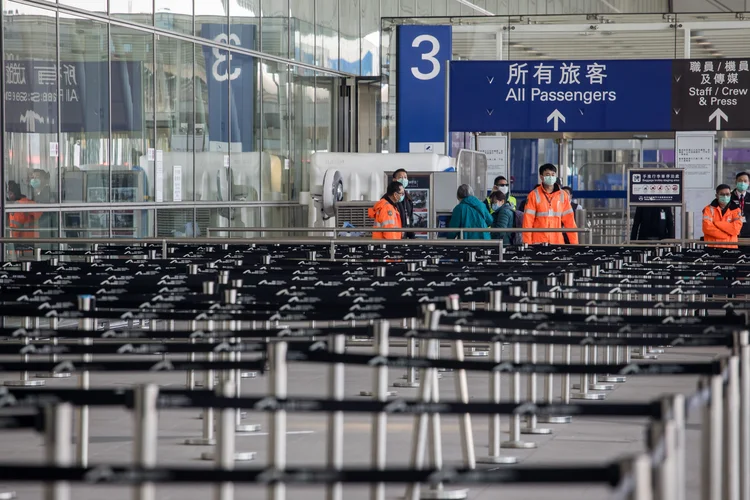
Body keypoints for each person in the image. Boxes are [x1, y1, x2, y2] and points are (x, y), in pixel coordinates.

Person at [522, 164, 578, 245]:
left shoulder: (563, 195)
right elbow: (527, 222)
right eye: (547, 175)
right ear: (541, 177)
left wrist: (575, 244)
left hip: (557, 242)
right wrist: (527, 244)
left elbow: (570, 222)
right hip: (538, 242)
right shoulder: (534, 195)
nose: (551, 177)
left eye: (553, 174)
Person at [703, 184, 743, 248]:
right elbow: (707, 228)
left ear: (730, 195)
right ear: (717, 196)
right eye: (722, 194)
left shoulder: (736, 210)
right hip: (712, 248)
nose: (725, 196)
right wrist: (725, 235)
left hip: (731, 249)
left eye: (727, 194)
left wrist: (717, 223)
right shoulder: (708, 209)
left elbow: (736, 229)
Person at [392, 169, 415, 239]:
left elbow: (410, 218)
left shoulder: (408, 198)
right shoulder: (389, 198)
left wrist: (412, 235)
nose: (403, 179)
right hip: (394, 236)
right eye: (400, 177)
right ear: (394, 180)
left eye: (405, 177)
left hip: (405, 235)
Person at [731, 171, 750, 239]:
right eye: (740, 180)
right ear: (736, 182)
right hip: (731, 234)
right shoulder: (729, 197)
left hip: (748, 235)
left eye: (745, 181)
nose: (742, 183)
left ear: (749, 183)